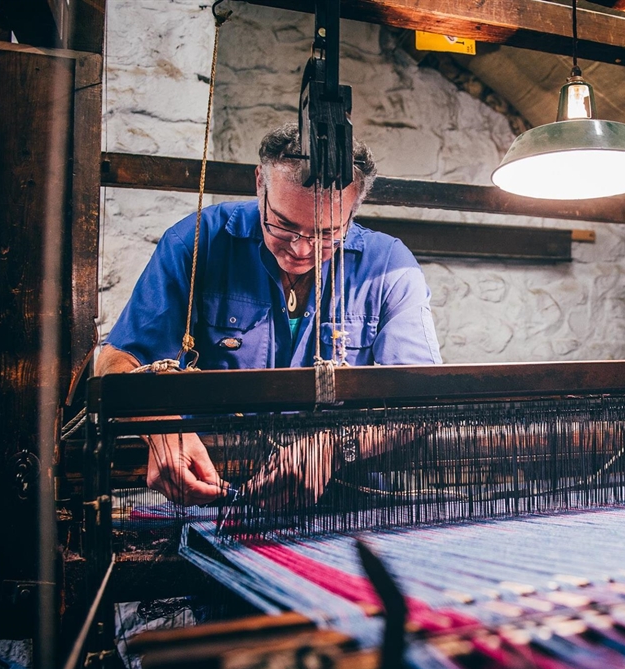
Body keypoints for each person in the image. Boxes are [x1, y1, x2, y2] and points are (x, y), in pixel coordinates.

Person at [97, 123, 442, 505]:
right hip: (211, 497)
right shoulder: (195, 243)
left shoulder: (389, 266)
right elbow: (118, 362)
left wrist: (332, 445)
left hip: (348, 500)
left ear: (354, 209)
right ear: (259, 182)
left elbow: (421, 400)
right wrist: (160, 429)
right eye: (283, 224)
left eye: (327, 233)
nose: (301, 249)